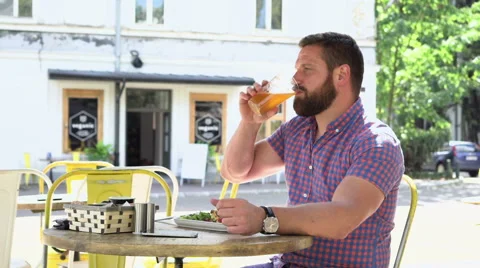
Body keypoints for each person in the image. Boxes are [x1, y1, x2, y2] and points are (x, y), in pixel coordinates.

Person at [210, 32, 405, 268]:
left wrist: (264, 217)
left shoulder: (375, 142)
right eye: (296, 69)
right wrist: (250, 122)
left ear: (341, 75)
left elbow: (341, 219)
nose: (295, 78)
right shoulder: (299, 129)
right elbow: (235, 172)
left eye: (307, 69)